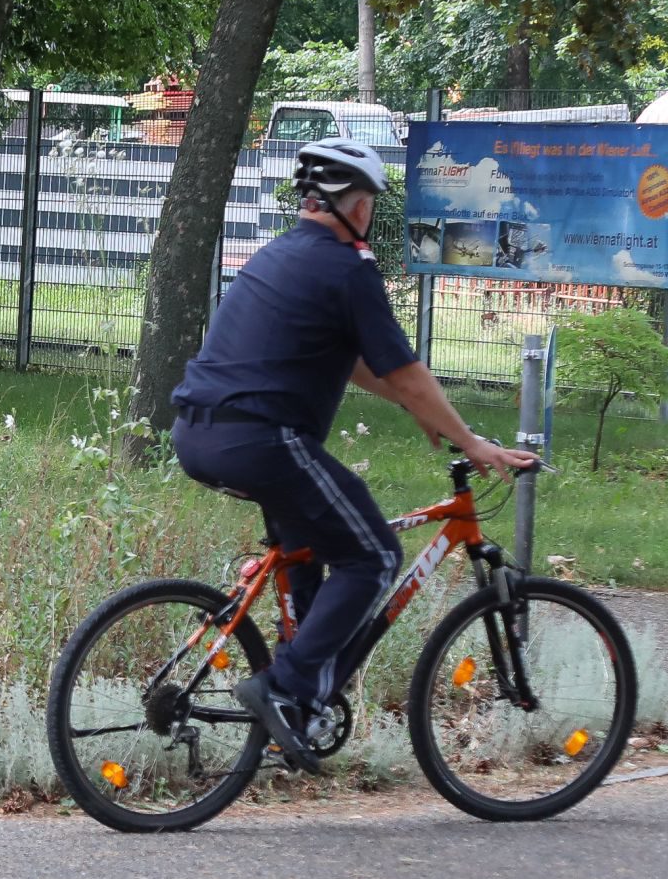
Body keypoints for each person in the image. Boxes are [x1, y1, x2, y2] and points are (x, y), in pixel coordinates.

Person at [168, 136, 537, 773]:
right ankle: (284, 689)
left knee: (308, 548)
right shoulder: (349, 270)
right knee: (373, 554)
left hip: (198, 432)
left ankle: (299, 706)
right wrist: (472, 441)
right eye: (369, 200)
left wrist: (422, 413)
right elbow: (407, 370)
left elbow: (370, 369)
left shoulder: (279, 254)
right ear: (355, 206)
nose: (370, 213)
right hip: (263, 439)